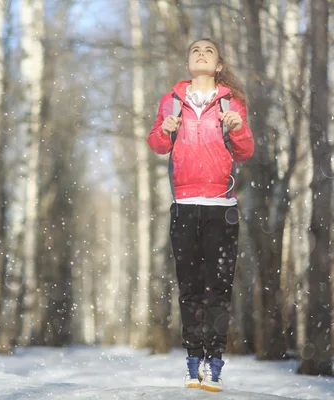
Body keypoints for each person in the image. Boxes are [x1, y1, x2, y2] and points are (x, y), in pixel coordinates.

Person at [147, 38, 254, 392]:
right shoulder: (171, 101)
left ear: (218, 65)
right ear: (188, 62)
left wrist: (237, 127)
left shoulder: (230, 103)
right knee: (190, 288)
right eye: (195, 50)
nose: (202, 54)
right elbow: (157, 144)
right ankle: (193, 363)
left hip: (222, 210)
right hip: (184, 206)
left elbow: (246, 150)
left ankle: (215, 364)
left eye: (209, 51)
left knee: (219, 289)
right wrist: (164, 130)